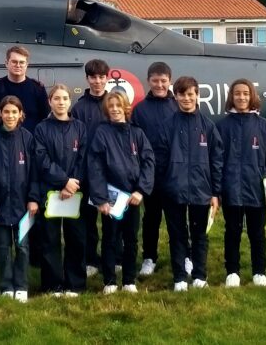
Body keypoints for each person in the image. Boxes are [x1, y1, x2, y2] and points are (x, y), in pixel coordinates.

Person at [87, 91, 155, 294]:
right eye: (111, 106)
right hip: (111, 198)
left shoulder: (137, 133)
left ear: (126, 107)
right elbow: (95, 166)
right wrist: (100, 198)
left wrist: (141, 190)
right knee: (110, 239)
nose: (115, 109)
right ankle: (109, 281)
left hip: (132, 198)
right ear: (107, 109)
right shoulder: (101, 133)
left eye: (119, 105)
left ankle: (129, 280)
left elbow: (149, 162)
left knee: (131, 239)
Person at [160, 76, 222, 292]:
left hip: (201, 190)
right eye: (181, 94)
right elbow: (159, 160)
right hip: (173, 191)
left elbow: (216, 161)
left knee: (199, 235)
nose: (186, 98)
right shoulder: (167, 126)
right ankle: (179, 277)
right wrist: (164, 186)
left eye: (190, 94)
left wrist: (216, 192)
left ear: (197, 95)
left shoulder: (208, 127)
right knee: (176, 235)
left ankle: (199, 275)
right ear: (175, 96)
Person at [217, 78, 266, 288]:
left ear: (252, 96)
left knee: (257, 233)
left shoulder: (263, 126)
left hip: (257, 190)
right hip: (231, 189)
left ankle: (259, 272)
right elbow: (216, 160)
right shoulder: (222, 126)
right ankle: (232, 272)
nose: (241, 97)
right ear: (231, 97)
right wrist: (217, 190)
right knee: (232, 232)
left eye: (245, 93)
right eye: (237, 93)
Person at [0, 96, 39, 302]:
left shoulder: (28, 139)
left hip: (23, 204)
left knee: (22, 246)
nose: (10, 116)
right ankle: (6, 285)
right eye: (6, 112)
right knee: (4, 247)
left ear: (21, 114)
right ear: (0, 114)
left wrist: (33, 198)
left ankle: (21, 285)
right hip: (0, 204)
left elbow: (34, 173)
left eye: (14, 112)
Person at [32, 84, 88, 296]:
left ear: (69, 101)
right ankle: (52, 284)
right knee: (50, 239)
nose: (61, 102)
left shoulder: (80, 128)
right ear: (50, 101)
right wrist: (63, 181)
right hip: (50, 192)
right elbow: (42, 160)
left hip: (76, 192)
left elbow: (83, 158)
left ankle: (75, 284)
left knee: (76, 238)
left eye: (65, 98)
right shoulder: (41, 129)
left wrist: (73, 184)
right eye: (57, 98)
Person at [130, 61, 181, 277]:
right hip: (150, 176)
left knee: (177, 220)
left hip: (175, 175)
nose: (159, 85)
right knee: (151, 219)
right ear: (148, 81)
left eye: (163, 81)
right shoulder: (140, 110)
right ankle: (149, 257)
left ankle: (184, 256)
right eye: (155, 81)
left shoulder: (179, 105)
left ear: (170, 81)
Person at [70, 59, 111, 276]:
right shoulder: (78, 108)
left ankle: (113, 257)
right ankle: (90, 260)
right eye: (93, 77)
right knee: (88, 221)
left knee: (112, 220)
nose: (97, 81)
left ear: (107, 77)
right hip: (86, 173)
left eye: (101, 77)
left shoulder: (114, 103)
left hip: (110, 173)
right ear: (87, 79)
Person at [0, 46, 50, 132]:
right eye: (14, 62)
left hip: (31, 141)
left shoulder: (38, 88)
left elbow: (46, 118)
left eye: (22, 62)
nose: (18, 65)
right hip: (2, 141)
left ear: (27, 65)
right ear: (6, 63)